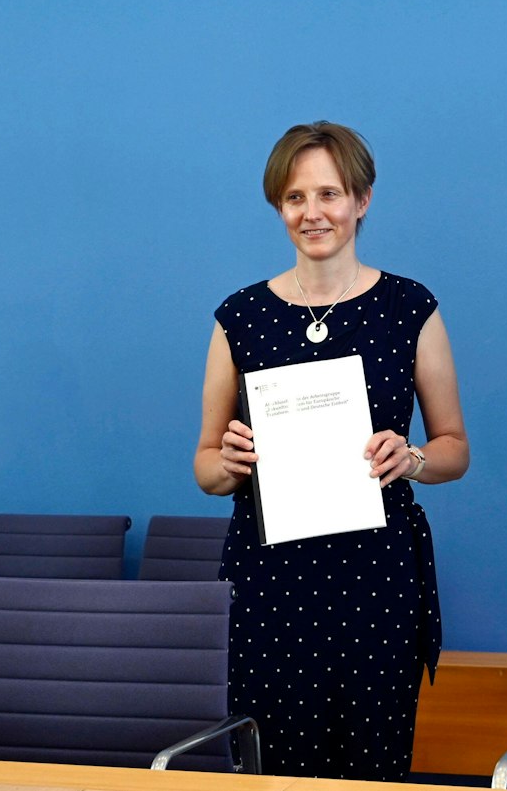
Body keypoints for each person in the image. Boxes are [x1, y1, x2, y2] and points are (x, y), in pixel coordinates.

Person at [194, 121, 469, 781]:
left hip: (375, 577)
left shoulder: (410, 308)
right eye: (295, 197)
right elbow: (205, 465)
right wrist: (227, 464)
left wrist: (413, 458)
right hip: (269, 580)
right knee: (274, 763)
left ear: (361, 200)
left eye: (329, 194)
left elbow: (455, 448)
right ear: (278, 206)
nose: (312, 213)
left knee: (373, 761)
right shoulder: (239, 317)